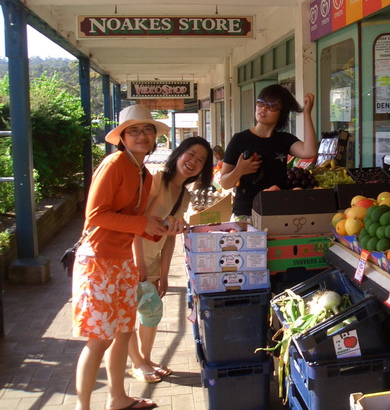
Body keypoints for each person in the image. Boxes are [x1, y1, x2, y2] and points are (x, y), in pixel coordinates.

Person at [72, 104, 169, 410]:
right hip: (98, 261)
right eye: (134, 131)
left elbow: (136, 223)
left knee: (124, 332)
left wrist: (164, 230)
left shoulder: (143, 173)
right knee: (99, 340)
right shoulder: (114, 165)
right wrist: (144, 224)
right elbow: (96, 214)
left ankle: (118, 398)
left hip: (123, 260)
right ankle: (83, 407)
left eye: (148, 130)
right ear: (122, 138)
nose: (142, 136)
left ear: (155, 136)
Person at [128, 136, 213, 383]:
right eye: (191, 154)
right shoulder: (156, 180)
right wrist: (139, 264)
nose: (194, 162)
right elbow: (135, 222)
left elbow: (169, 239)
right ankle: (137, 363)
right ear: (179, 153)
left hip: (153, 261)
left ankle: (146, 357)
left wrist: (164, 275)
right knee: (127, 314)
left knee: (151, 311)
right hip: (131, 259)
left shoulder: (184, 195)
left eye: (201, 160)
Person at [220, 84, 317, 220]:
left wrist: (307, 114)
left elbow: (309, 151)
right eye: (260, 103)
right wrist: (240, 170)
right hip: (246, 213)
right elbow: (224, 183)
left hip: (277, 211)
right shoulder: (240, 139)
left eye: (271, 106)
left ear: (282, 113)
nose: (263, 109)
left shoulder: (284, 139)